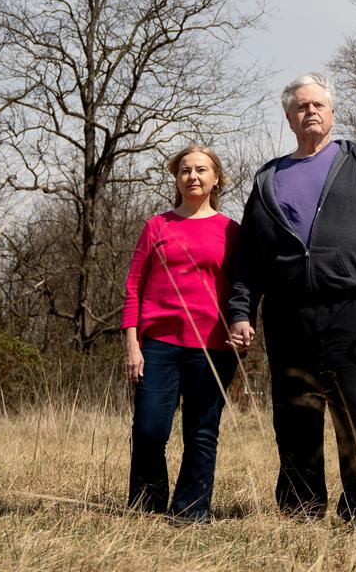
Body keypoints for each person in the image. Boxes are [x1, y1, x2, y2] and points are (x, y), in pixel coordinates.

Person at [227, 72, 356, 527]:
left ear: (331, 113)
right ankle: (301, 513)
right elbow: (249, 256)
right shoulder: (268, 177)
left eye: (318, 106)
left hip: (348, 309)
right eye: (301, 107)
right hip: (287, 315)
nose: (310, 112)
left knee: (352, 412)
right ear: (289, 118)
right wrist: (240, 312)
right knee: (294, 416)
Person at [122, 145, 241, 523]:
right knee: (149, 430)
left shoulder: (231, 231)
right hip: (158, 345)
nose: (192, 176)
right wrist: (132, 344)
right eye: (185, 170)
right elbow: (133, 286)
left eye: (201, 169)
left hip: (213, 347)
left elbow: (241, 287)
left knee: (202, 433)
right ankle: (146, 508)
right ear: (176, 178)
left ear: (216, 178)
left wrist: (243, 324)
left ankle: (191, 511)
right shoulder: (157, 226)